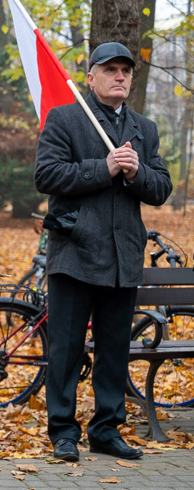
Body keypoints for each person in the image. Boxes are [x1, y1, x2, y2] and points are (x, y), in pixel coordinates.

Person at [35, 42, 172, 462]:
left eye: (125, 71)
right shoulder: (66, 118)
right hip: (75, 254)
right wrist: (105, 168)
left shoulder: (143, 128)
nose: (119, 76)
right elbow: (47, 175)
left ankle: (106, 430)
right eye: (110, 69)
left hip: (122, 257)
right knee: (66, 349)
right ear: (90, 76)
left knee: (114, 350)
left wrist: (136, 172)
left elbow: (161, 188)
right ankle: (62, 431)